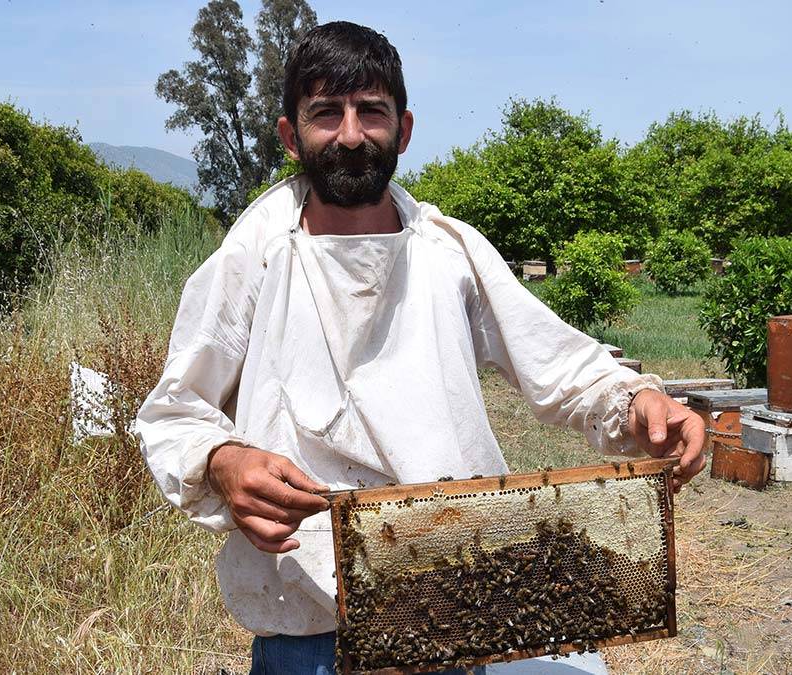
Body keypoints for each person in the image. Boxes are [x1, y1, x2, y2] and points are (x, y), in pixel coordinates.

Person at [135, 20, 706, 675]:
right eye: (326, 114)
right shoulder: (254, 255)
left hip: (455, 604)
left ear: (402, 130)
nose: (350, 135)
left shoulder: (449, 251)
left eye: (370, 112)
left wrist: (637, 404)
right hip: (311, 634)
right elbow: (173, 411)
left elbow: (561, 366)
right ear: (291, 137)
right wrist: (223, 459)